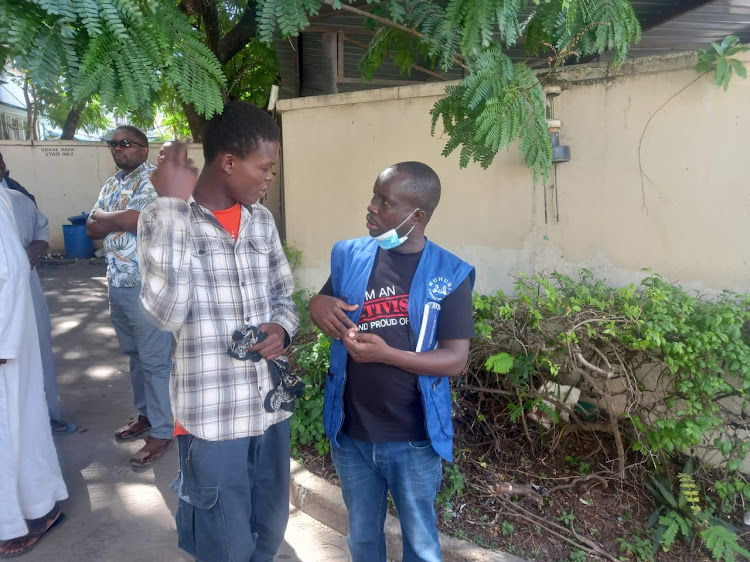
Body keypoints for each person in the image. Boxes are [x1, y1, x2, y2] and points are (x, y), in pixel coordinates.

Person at [138, 101, 300, 561]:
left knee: (268, 528)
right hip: (212, 417)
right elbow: (167, 313)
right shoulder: (164, 220)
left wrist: (282, 330)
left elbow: (285, 296)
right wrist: (170, 205)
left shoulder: (261, 221)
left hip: (269, 410)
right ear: (228, 162)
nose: (271, 177)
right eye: (265, 168)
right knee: (224, 544)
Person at [309, 162, 476, 562]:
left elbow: (456, 359)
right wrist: (317, 305)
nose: (370, 207)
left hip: (413, 438)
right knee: (363, 538)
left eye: (384, 202)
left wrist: (387, 354)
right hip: (351, 434)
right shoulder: (349, 255)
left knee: (420, 542)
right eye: (373, 196)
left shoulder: (449, 275)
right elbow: (324, 303)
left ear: (415, 216)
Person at [86, 125, 173, 466]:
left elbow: (137, 220)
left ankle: (164, 431)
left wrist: (108, 218)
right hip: (118, 283)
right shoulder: (112, 183)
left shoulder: (154, 179)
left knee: (155, 361)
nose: (117, 148)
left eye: (125, 143)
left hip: (147, 285)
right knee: (135, 356)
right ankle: (148, 414)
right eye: (113, 144)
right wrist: (112, 220)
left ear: (143, 148)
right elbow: (91, 227)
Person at [0, 186, 68, 556]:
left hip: (6, 336)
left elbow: (9, 271)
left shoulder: (12, 201)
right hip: (10, 330)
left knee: (16, 428)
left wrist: (4, 344)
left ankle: (38, 512)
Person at [4, 187, 77, 434]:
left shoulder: (18, 199)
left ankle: (46, 417)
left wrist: (31, 253)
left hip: (25, 288)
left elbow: (41, 230)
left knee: (36, 349)